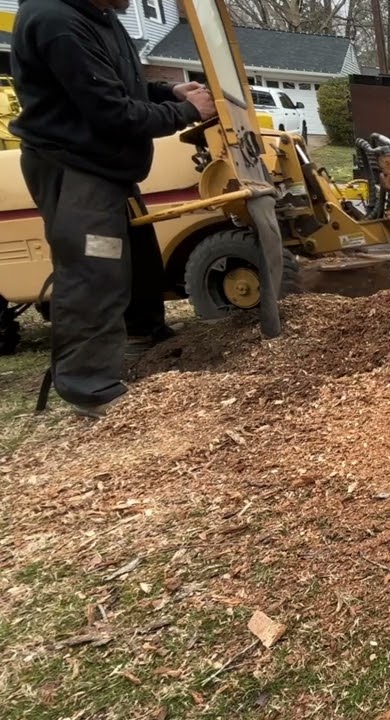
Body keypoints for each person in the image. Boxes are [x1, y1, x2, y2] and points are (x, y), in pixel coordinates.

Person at [10, 0, 216, 418]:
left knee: (138, 260)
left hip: (108, 167)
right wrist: (187, 112)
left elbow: (123, 86)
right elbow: (112, 112)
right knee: (94, 270)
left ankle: (145, 338)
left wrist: (170, 91)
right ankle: (89, 386)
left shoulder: (100, 18)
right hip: (76, 168)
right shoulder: (57, 22)